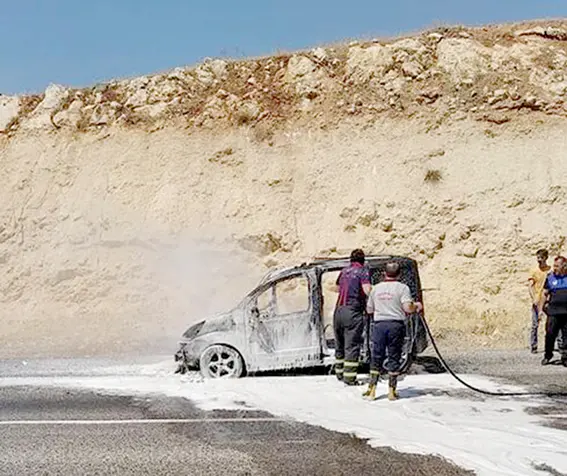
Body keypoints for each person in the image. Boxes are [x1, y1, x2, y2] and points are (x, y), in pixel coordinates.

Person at [363, 261, 422, 401]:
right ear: (399, 274)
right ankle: (392, 391)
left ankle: (371, 390)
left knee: (376, 356)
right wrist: (416, 306)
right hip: (396, 325)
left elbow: (369, 310)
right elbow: (407, 308)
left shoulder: (376, 289)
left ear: (384, 273)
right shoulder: (403, 288)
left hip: (379, 325)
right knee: (394, 356)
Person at [332, 249, 372, 385]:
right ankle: (349, 378)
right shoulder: (362, 271)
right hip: (352, 311)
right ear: (363, 260)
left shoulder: (344, 271)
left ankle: (339, 373)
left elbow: (337, 288)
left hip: (338, 311)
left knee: (340, 345)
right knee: (351, 346)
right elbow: (367, 290)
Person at [541, 256, 567, 366]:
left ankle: (565, 357)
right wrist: (541, 309)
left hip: (566, 312)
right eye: (554, 265)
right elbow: (544, 294)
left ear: (564, 266)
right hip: (553, 312)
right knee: (550, 334)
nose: (554, 268)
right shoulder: (550, 278)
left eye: (557, 266)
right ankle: (548, 355)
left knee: (566, 336)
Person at [528, 249, 551, 354]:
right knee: (535, 324)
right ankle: (534, 346)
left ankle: (553, 345)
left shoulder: (549, 270)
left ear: (546, 258)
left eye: (541, 257)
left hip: (548, 301)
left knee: (552, 324)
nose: (539, 260)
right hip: (537, 300)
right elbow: (530, 286)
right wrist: (534, 298)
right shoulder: (534, 271)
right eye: (538, 258)